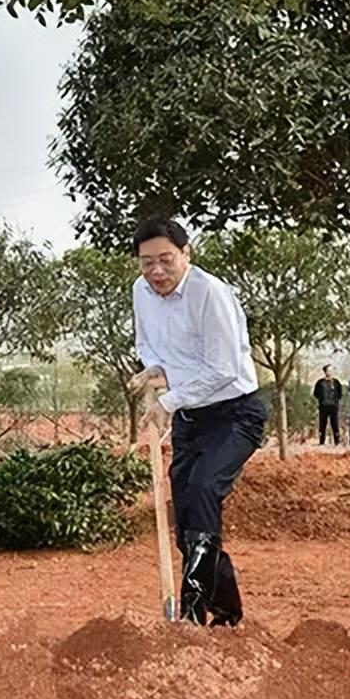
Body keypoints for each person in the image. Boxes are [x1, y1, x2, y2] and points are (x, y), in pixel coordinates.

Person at [129, 217, 267, 627]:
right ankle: (227, 612)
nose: (156, 272)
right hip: (191, 417)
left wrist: (169, 400)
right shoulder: (141, 291)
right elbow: (148, 343)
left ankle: (191, 613)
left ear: (186, 254)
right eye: (146, 262)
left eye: (166, 260)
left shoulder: (211, 294)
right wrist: (154, 370)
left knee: (205, 489)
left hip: (234, 413)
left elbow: (223, 368)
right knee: (189, 518)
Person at [313, 365, 343, 445]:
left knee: (335, 424)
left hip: (333, 406)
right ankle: (321, 442)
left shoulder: (336, 382)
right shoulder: (320, 383)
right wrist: (322, 400)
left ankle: (337, 442)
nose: (330, 372)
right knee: (322, 424)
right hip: (323, 407)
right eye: (329, 370)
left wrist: (335, 401)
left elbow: (340, 394)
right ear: (325, 371)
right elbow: (315, 394)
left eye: (332, 370)